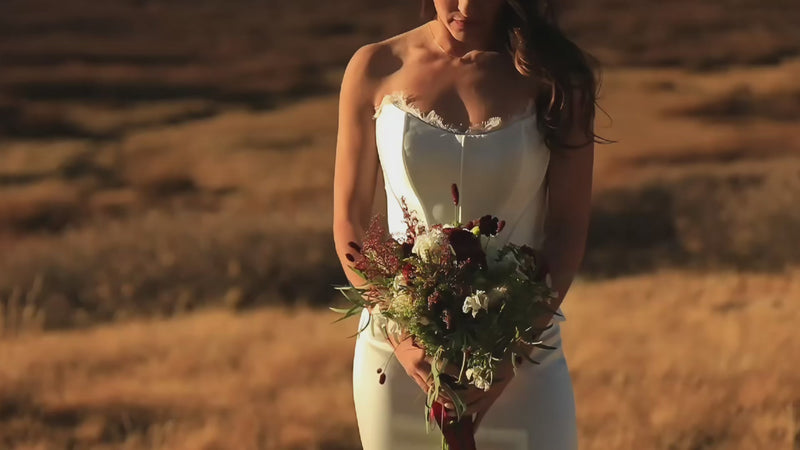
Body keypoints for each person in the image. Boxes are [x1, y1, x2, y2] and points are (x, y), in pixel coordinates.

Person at [332, 0, 601, 448]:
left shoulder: (557, 79)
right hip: (401, 360)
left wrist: (510, 355)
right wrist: (401, 337)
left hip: (524, 356)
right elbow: (349, 220)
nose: (465, 5)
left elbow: (568, 229)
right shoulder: (375, 67)